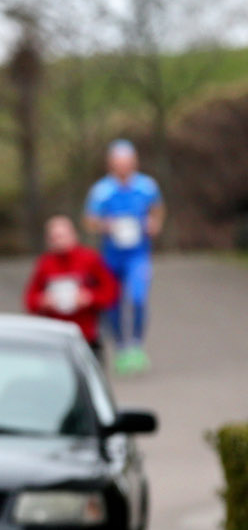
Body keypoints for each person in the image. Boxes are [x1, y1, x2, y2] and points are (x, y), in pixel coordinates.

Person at [83, 139, 164, 373]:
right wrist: (105, 225)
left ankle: (136, 346)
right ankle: (120, 346)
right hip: (111, 256)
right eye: (119, 163)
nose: (123, 167)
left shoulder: (146, 186)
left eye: (127, 162)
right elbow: (89, 221)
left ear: (134, 162)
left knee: (138, 298)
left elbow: (158, 209)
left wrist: (154, 223)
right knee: (112, 303)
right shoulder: (101, 190)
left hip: (138, 254)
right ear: (111, 164)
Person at [24, 215, 119, 359]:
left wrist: (90, 298)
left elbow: (111, 291)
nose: (58, 242)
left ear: (73, 235)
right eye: (53, 238)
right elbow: (30, 299)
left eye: (61, 236)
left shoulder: (90, 259)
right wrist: (43, 301)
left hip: (86, 335)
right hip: (55, 335)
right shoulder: (45, 264)